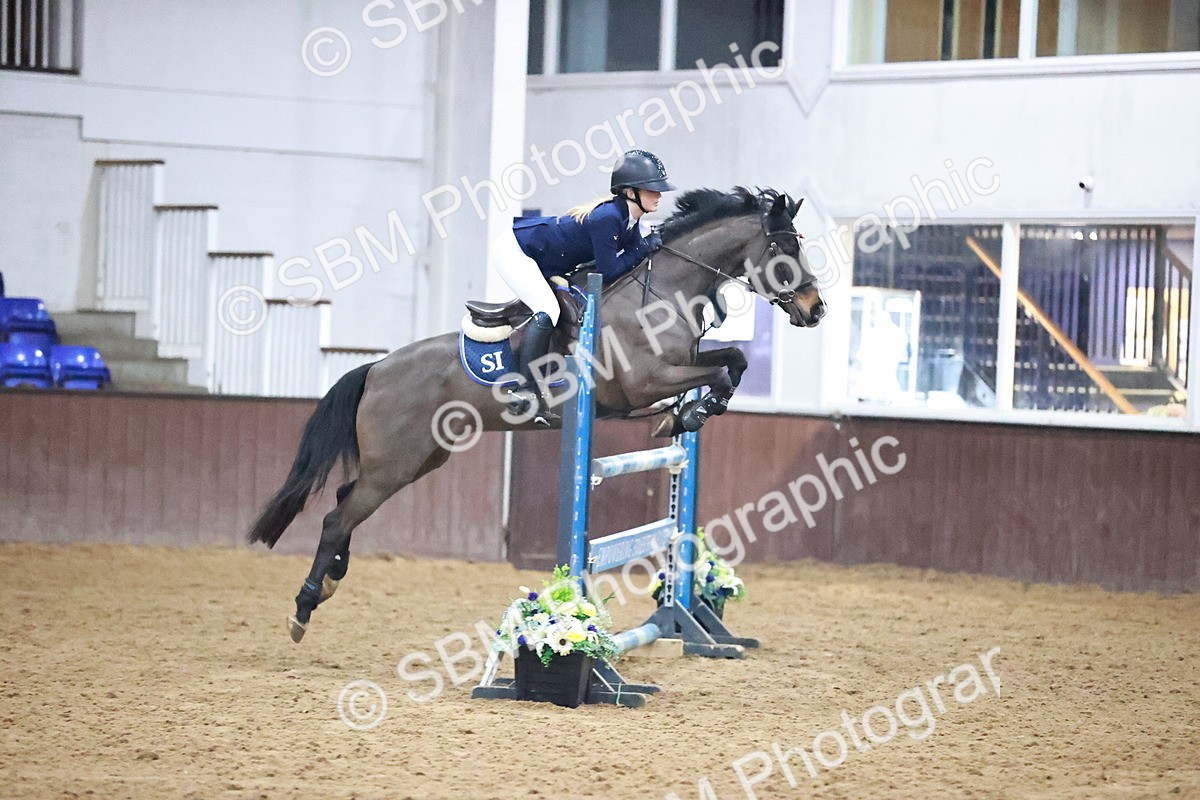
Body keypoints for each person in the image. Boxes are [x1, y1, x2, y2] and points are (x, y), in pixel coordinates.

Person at [494, 148, 677, 426]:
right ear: (629, 192)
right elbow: (610, 271)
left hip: (545, 258)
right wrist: (644, 246)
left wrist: (645, 247)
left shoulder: (630, 218)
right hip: (516, 250)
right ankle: (524, 390)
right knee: (547, 310)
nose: (659, 195)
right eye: (651, 189)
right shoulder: (608, 218)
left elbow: (629, 263)